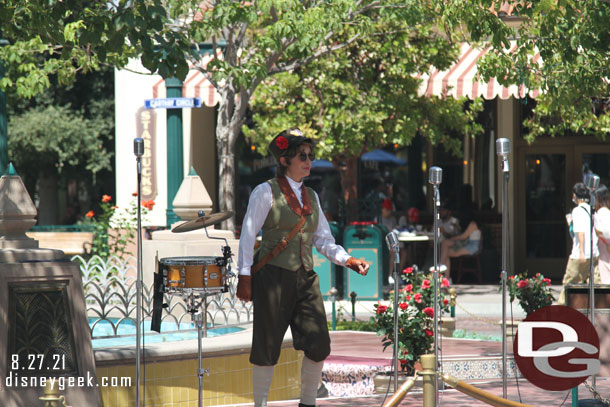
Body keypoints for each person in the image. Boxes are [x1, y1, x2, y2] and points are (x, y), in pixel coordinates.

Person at [235, 128, 370, 407]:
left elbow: (323, 240)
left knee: (319, 344)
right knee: (266, 347)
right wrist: (244, 277)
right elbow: (248, 237)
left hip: (305, 278)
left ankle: (307, 403)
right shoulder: (265, 192)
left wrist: (347, 260)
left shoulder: (312, 195)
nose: (308, 160)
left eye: (310, 155)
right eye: (302, 156)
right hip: (272, 278)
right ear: (285, 160)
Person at [558, 182, 599, 305]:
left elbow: (580, 232)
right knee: (593, 282)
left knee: (569, 283)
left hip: (579, 254)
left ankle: (561, 309)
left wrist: (581, 251)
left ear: (575, 195)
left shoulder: (577, 211)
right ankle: (596, 307)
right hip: (593, 252)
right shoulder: (592, 210)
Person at [439, 210, 481, 280]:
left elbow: (463, 236)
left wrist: (453, 238)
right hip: (466, 243)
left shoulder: (473, 224)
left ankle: (443, 272)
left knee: (446, 252)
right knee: (445, 245)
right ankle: (445, 276)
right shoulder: (469, 224)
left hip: (472, 246)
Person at [594, 185, 610, 283]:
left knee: (605, 276)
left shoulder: (600, 213)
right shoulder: (608, 212)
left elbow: (605, 232)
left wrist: (596, 231)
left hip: (604, 249)